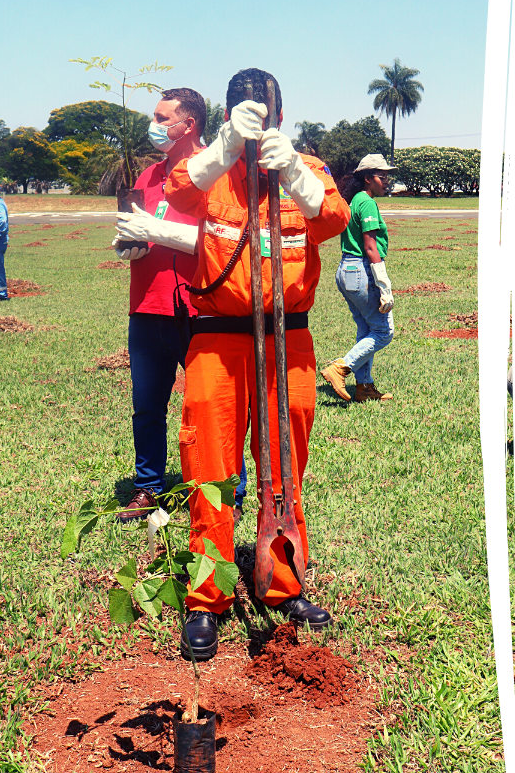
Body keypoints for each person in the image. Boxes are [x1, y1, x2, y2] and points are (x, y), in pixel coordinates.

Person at [165, 67, 349, 661]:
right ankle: (207, 598)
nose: (255, 120)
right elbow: (177, 192)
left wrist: (291, 169)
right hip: (217, 343)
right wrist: (224, 146)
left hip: (289, 343)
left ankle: (283, 583)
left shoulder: (306, 167)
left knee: (284, 468)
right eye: (242, 112)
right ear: (226, 114)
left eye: (264, 112)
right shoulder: (211, 169)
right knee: (211, 471)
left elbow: (334, 219)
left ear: (281, 115)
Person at [111, 88, 214, 521]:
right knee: (147, 406)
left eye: (160, 117)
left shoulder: (215, 173)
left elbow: (223, 241)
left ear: (188, 125)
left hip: (200, 308)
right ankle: (148, 486)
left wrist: (161, 233)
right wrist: (126, 244)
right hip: (147, 306)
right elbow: (135, 229)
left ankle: (225, 488)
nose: (151, 125)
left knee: (211, 406)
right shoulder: (148, 178)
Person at [321, 153, 395, 403]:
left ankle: (363, 387)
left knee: (366, 329)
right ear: (367, 179)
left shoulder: (354, 201)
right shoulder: (367, 203)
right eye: (382, 177)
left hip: (346, 270)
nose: (386, 181)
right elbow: (371, 246)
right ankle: (341, 367)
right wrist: (384, 285)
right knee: (384, 332)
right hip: (360, 270)